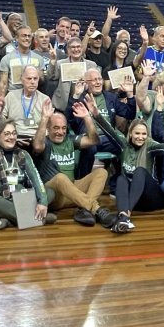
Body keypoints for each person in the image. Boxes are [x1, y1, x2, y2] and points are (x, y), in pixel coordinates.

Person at [90, 109, 164, 233]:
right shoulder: (123, 145)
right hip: (133, 202)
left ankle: (125, 216)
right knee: (121, 178)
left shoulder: (150, 146)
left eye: (144, 134)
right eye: (137, 133)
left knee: (140, 171)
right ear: (130, 133)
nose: (140, 137)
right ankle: (124, 217)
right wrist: (96, 114)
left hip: (151, 198)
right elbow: (110, 132)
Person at [32, 97, 116, 228]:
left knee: (101, 172)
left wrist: (87, 117)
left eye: (63, 128)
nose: (60, 132)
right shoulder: (44, 143)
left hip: (74, 194)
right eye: (56, 128)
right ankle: (95, 209)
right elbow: (37, 146)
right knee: (60, 178)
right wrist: (44, 119)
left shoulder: (70, 140)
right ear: (48, 129)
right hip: (56, 197)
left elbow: (93, 140)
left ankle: (84, 209)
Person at [0, 116, 55, 230]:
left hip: (20, 198)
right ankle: (39, 219)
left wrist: (42, 202)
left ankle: (8, 219)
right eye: (6, 134)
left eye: (13, 133)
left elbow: (35, 178)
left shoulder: (23, 154)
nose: (11, 137)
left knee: (49, 192)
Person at [66, 69, 136, 156]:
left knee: (125, 147)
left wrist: (130, 94)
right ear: (86, 83)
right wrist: (75, 96)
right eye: (94, 80)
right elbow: (69, 119)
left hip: (108, 138)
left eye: (100, 79)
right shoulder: (80, 97)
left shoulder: (111, 97)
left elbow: (130, 115)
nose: (98, 82)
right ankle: (85, 170)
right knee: (89, 147)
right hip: (89, 137)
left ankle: (121, 170)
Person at [0, 65, 52, 142]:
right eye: (29, 78)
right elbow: (2, 119)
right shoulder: (11, 96)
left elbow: (48, 126)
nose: (32, 82)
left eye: (35, 78)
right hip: (15, 136)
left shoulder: (45, 99)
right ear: (21, 80)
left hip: (36, 137)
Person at [47, 36, 97, 111]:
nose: (76, 49)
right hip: (62, 104)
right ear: (68, 49)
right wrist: (53, 60)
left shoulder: (91, 65)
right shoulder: (60, 63)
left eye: (78, 47)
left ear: (82, 48)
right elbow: (51, 76)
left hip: (83, 104)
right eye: (73, 47)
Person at [0, 26, 45, 94]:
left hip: (33, 95)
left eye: (29, 36)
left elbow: (42, 82)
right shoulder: (6, 59)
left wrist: (39, 76)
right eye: (24, 36)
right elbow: (3, 83)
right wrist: (1, 97)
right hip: (13, 95)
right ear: (16, 38)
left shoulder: (39, 59)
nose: (27, 38)